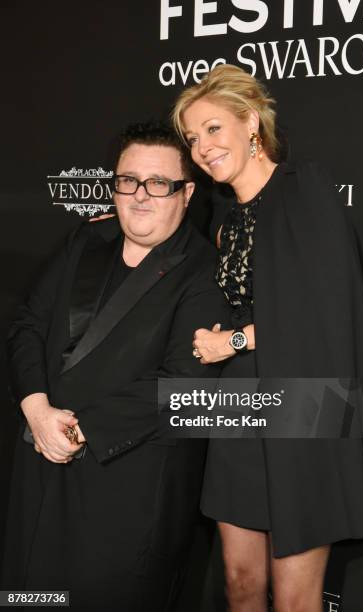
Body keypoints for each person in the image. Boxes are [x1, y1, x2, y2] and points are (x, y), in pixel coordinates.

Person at [172, 64, 363, 612]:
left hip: (303, 409)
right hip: (236, 408)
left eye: (212, 128)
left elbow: (324, 311)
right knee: (239, 584)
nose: (202, 147)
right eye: (192, 137)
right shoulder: (227, 221)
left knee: (296, 599)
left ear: (250, 121)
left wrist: (231, 342)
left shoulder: (305, 187)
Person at [2, 122, 230, 609]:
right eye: (129, 181)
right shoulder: (86, 240)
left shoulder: (204, 271)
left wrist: (80, 431)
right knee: (31, 598)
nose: (140, 196)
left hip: (127, 489)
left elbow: (182, 385)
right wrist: (37, 410)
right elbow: (27, 325)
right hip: (39, 469)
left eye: (159, 184)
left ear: (187, 193)